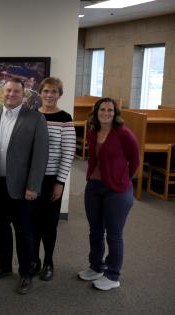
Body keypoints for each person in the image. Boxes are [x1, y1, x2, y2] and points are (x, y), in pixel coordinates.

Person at [0, 78, 48, 294]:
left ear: (23, 95)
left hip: (21, 188)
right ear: (2, 93)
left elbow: (40, 156)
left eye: (16, 92)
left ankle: (26, 273)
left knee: (24, 232)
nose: (11, 94)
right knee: (0, 228)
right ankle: (3, 265)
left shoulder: (36, 118)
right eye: (8, 91)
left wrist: (33, 186)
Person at [77, 98, 138, 291]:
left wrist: (123, 179)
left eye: (110, 110)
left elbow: (135, 160)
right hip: (94, 187)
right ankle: (96, 266)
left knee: (113, 234)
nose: (106, 113)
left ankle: (113, 275)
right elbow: (93, 159)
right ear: (96, 112)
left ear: (115, 113)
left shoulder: (124, 134)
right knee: (95, 230)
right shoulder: (93, 132)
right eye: (102, 109)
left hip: (117, 190)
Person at [32, 77, 76, 281]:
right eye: (46, 91)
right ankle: (34, 260)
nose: (49, 95)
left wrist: (60, 182)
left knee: (49, 224)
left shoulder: (65, 118)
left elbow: (68, 153)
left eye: (54, 92)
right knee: (32, 224)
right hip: (32, 180)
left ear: (60, 95)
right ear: (40, 93)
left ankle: (48, 261)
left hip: (52, 180)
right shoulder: (31, 116)